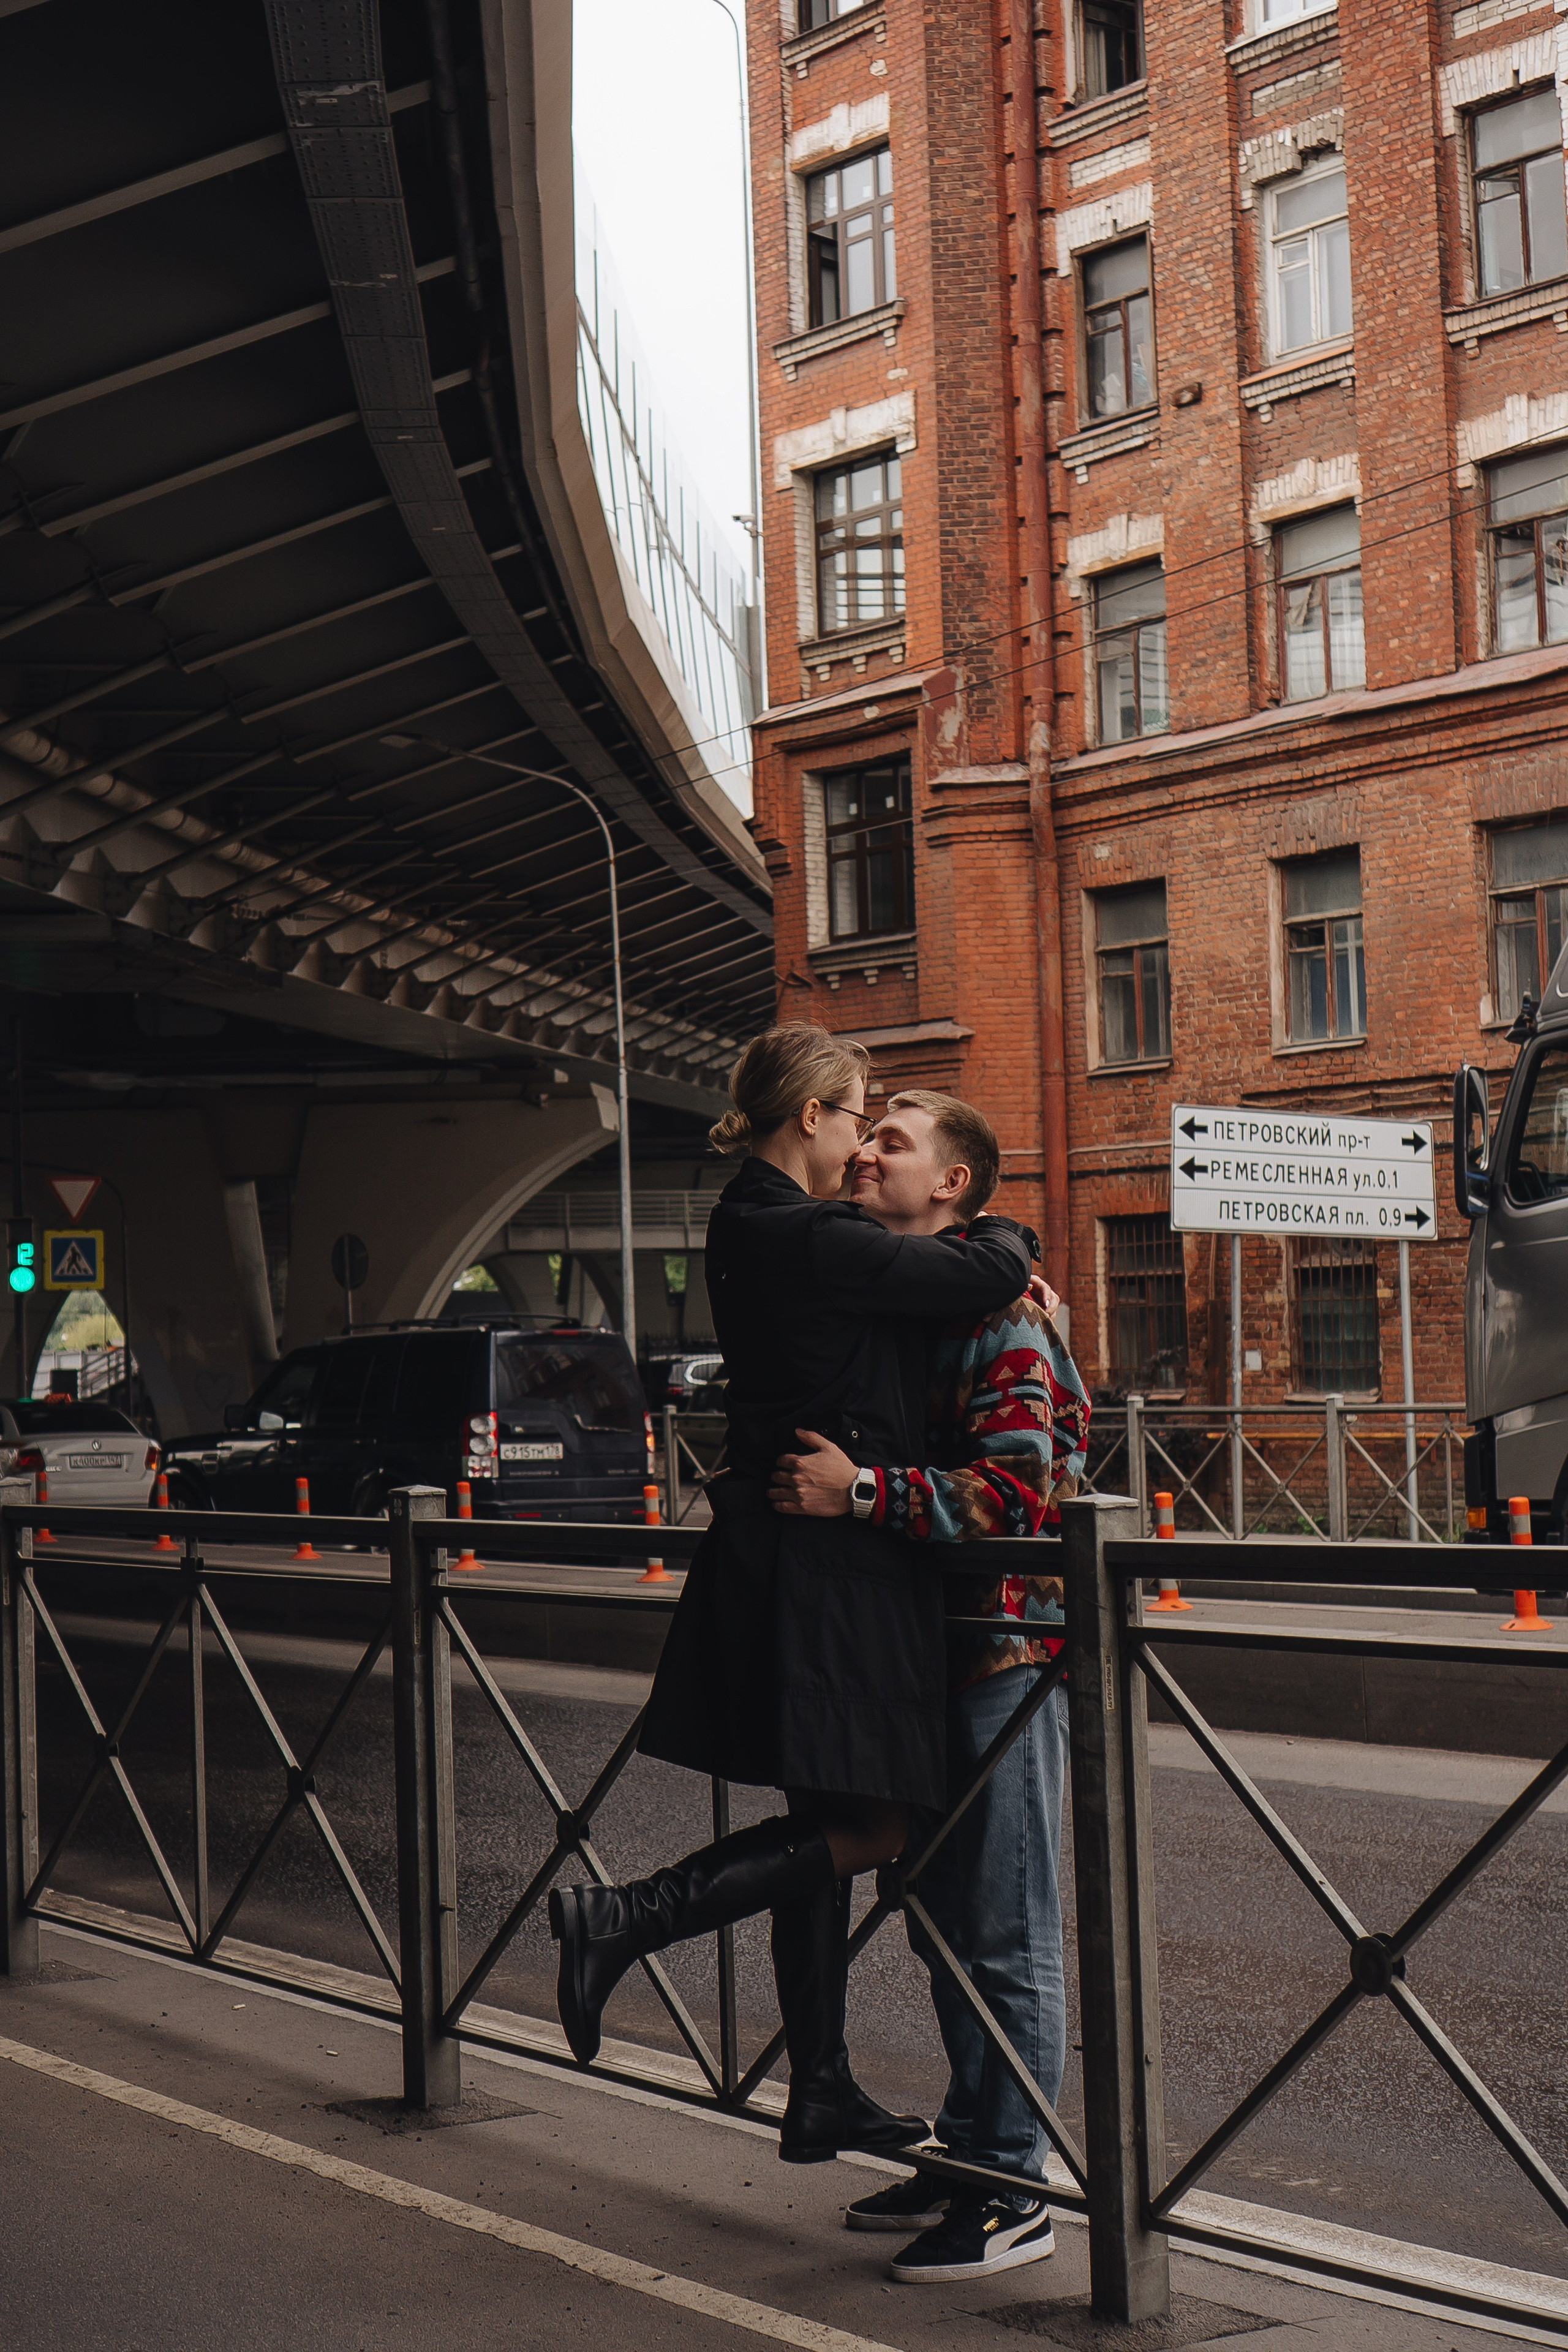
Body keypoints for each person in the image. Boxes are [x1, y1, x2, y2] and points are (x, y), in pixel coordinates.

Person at [548, 1025, 1038, 2166]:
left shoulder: (761, 1221)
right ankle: (626, 1916)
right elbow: (980, 1271)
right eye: (859, 1115)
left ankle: (820, 2087)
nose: (864, 1140)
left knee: (824, 1822)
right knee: (874, 1825)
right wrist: (1008, 1238)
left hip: (795, 1552)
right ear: (811, 1113)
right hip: (834, 1569)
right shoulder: (804, 1230)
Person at [769, 1089, 1089, 2283]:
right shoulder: (909, 1305)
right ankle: (971, 2149)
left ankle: (1014, 2190)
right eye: (863, 1136)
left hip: (1002, 1659)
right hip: (917, 1660)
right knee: (944, 1925)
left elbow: (1016, 1497)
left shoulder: (1002, 1314)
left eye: (890, 1142)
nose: (862, 1152)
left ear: (952, 1183)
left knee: (1002, 1931)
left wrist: (861, 1492)